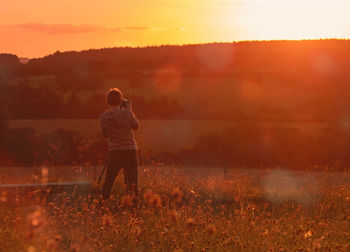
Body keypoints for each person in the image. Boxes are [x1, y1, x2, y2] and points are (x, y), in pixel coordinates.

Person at [99, 88, 140, 202]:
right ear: (121, 101)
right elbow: (136, 126)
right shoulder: (127, 113)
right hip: (130, 151)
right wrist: (129, 110)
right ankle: (134, 211)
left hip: (115, 151)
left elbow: (105, 135)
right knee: (132, 184)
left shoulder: (103, 117)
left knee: (109, 181)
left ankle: (103, 205)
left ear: (107, 102)